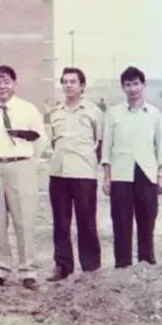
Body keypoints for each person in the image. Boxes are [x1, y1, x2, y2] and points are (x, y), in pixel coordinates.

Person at [0, 65, 47, 290]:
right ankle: (0, 269)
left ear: (14, 84)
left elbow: (40, 141)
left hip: (21, 167)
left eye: (6, 81)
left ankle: (28, 271)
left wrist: (28, 163)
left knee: (24, 220)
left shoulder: (28, 110)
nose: (2, 86)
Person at [101, 66, 162, 268]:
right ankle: (122, 264)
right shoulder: (114, 114)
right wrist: (107, 177)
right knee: (121, 220)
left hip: (146, 173)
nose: (132, 89)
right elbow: (107, 147)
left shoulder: (154, 114)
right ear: (123, 87)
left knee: (147, 219)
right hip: (121, 174)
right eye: (128, 84)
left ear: (143, 85)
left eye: (136, 84)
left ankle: (146, 261)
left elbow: (161, 145)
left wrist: (161, 174)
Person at [46, 67, 102, 282]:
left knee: (86, 221)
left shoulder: (93, 111)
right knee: (61, 222)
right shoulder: (55, 112)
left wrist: (89, 163)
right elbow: (53, 141)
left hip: (84, 174)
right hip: (58, 173)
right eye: (65, 82)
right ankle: (62, 265)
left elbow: (99, 142)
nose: (68, 85)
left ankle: (90, 267)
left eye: (73, 82)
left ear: (82, 86)